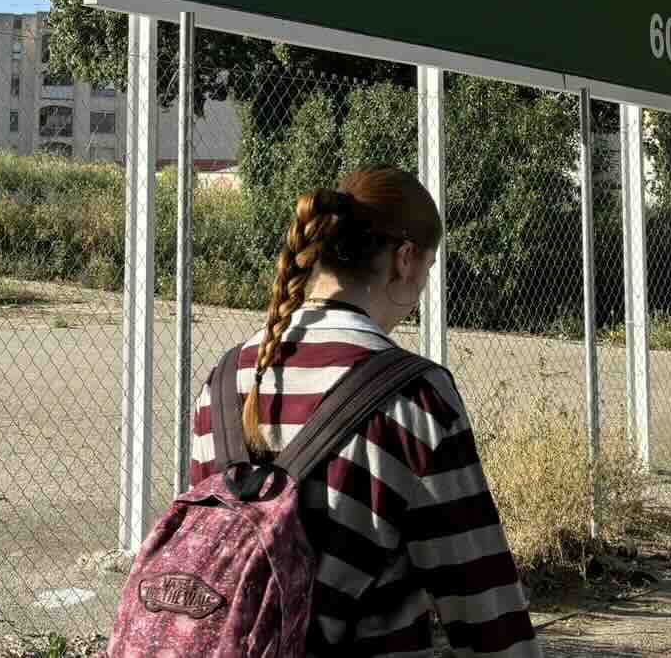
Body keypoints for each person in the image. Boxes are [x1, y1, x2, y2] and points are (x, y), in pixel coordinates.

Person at [186, 166, 543, 657]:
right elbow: (480, 601)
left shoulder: (226, 380)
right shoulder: (417, 397)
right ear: (405, 260)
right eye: (428, 270)